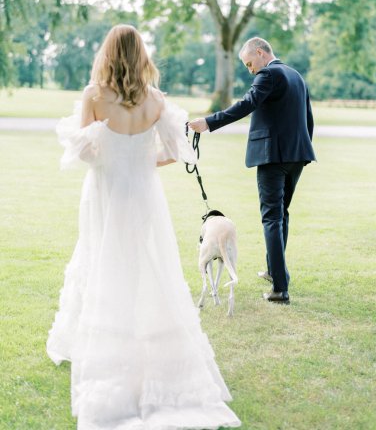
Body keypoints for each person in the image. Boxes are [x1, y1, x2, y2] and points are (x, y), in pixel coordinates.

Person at [47, 25, 241, 430]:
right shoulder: (156, 101)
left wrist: (114, 159)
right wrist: (139, 162)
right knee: (142, 263)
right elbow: (175, 152)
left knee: (101, 257)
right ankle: (140, 340)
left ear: (107, 53)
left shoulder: (95, 95)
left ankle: (105, 341)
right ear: (142, 55)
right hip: (143, 194)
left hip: (104, 191)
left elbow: (84, 152)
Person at [189, 37, 315, 304]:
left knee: (271, 217)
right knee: (281, 214)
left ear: (260, 53)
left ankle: (280, 289)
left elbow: (246, 104)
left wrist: (209, 122)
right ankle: (274, 271)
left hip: (273, 157)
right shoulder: (295, 75)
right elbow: (308, 119)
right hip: (297, 155)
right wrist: (303, 151)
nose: (250, 70)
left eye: (249, 63)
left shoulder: (268, 74)